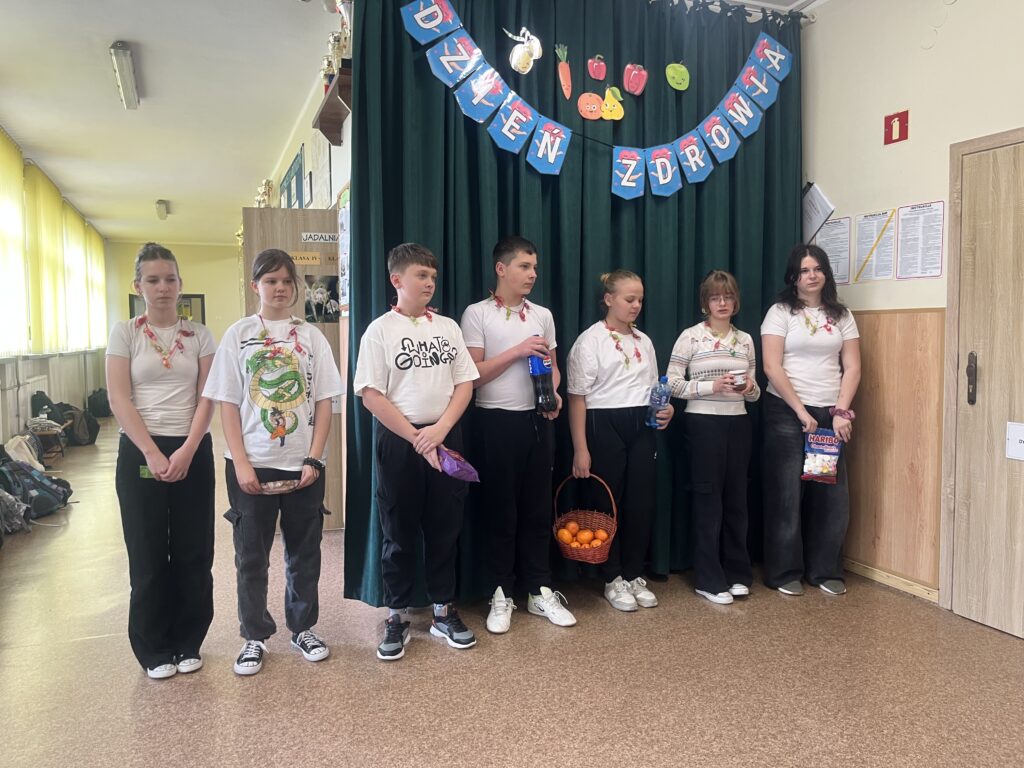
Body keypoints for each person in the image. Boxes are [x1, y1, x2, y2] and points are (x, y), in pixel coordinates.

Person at [204, 249, 344, 675]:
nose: (280, 288)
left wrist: (315, 457)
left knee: (304, 552)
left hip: (303, 464)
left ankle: (302, 627)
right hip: (251, 463)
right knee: (251, 555)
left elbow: (325, 402)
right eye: (270, 281)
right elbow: (228, 403)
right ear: (256, 286)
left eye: (286, 281)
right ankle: (254, 635)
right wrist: (241, 463)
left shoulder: (312, 337)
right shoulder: (239, 335)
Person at [353, 243, 480, 661]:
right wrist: (416, 437)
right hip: (399, 441)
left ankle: (443, 611)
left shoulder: (447, 327)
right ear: (397, 279)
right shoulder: (379, 330)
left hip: (445, 437)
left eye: (432, 276)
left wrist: (440, 431)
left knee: (445, 527)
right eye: (421, 275)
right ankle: (397, 614)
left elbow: (465, 383)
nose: (429, 283)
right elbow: (371, 395)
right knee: (398, 530)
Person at [106, 242, 216, 679]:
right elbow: (119, 397)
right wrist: (151, 452)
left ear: (180, 284)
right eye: (153, 280)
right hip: (140, 449)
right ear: (139, 286)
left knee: (193, 551)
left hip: (192, 447)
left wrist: (187, 448)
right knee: (148, 553)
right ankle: (153, 648)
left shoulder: (200, 335)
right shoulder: (125, 333)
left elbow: (208, 396)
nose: (163, 287)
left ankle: (189, 641)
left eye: (170, 279)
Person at [460, 235, 577, 633]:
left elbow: (553, 366)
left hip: (538, 421)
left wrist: (554, 392)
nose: (532, 274)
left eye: (535, 267)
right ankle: (500, 592)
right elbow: (472, 376)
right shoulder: (477, 314)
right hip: (494, 422)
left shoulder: (542, 315)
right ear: (501, 268)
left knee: (537, 509)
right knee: (501, 511)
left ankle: (539, 589)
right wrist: (517, 351)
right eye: (524, 266)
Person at [567, 270, 673, 612]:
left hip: (641, 425)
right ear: (609, 299)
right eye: (629, 299)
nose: (636, 305)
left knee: (641, 501)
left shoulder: (644, 341)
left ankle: (633, 572)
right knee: (607, 502)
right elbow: (577, 397)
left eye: (640, 299)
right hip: (603, 423)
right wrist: (581, 448)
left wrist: (666, 409)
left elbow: (654, 388)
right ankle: (611, 576)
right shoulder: (590, 341)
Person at [761, 244, 861, 596]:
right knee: (786, 494)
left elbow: (852, 366)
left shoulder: (841, 315)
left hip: (829, 415)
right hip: (787, 412)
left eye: (817, 269)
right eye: (804, 270)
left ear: (826, 274)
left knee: (827, 494)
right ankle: (784, 572)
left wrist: (841, 412)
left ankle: (824, 570)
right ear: (793, 277)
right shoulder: (780, 312)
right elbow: (771, 366)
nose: (812, 275)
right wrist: (801, 411)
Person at [666, 270, 760, 605]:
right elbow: (672, 382)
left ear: (736, 301)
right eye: (716, 297)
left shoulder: (745, 340)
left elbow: (755, 392)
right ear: (705, 303)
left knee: (737, 500)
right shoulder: (691, 337)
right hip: (703, 425)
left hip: (738, 424)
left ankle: (737, 574)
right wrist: (711, 386)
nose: (723, 303)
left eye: (728, 297)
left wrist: (749, 388)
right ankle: (708, 578)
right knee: (708, 502)